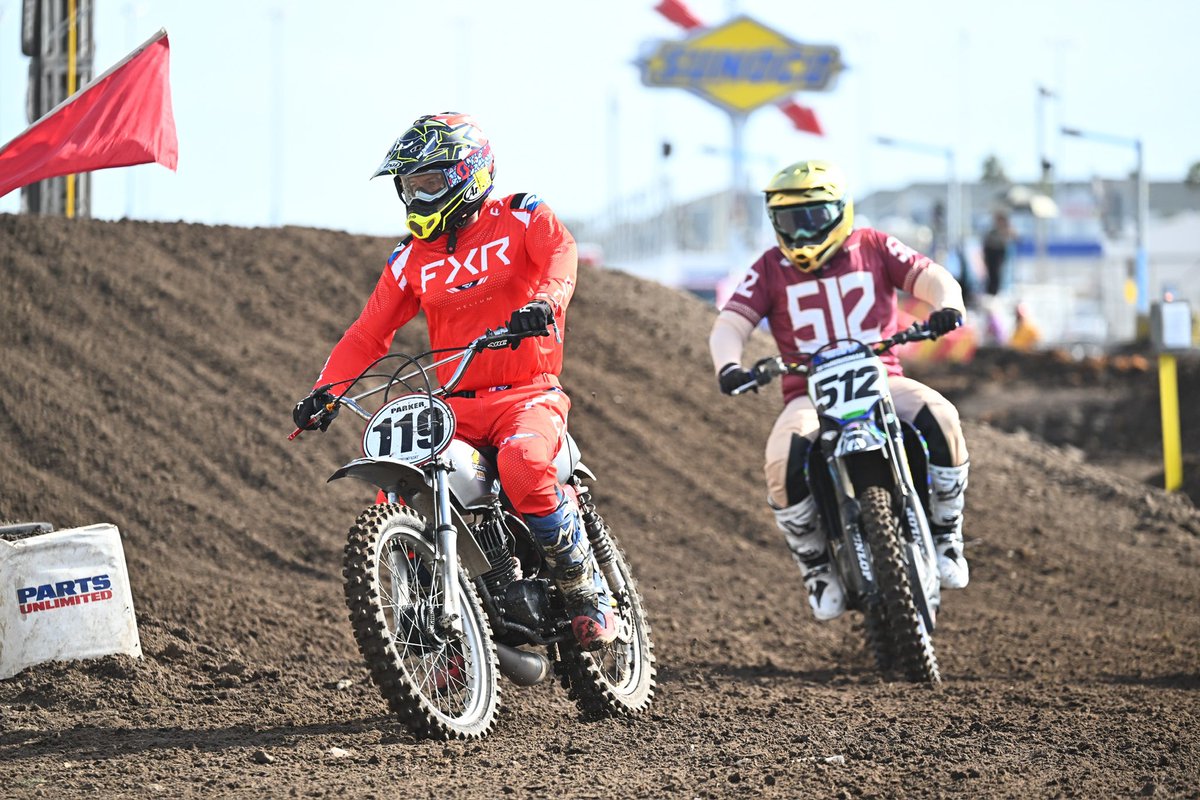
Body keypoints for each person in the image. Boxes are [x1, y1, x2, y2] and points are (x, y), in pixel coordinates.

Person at [292, 112, 616, 650]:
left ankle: (585, 591)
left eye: (431, 183)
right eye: (410, 186)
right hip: (456, 404)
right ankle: (429, 626)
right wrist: (326, 392)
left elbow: (562, 255)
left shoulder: (520, 215)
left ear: (470, 174)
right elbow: (368, 333)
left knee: (521, 465)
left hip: (527, 392)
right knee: (400, 480)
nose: (418, 198)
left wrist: (545, 303)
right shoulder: (408, 258)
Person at [708, 160, 971, 622]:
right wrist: (728, 365)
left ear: (840, 210)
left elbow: (932, 276)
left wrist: (947, 304)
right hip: (809, 392)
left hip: (882, 376)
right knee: (780, 459)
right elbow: (731, 322)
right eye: (791, 220)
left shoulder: (873, 245)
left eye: (813, 215)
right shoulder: (770, 267)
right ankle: (816, 566)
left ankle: (948, 535)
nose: (803, 230)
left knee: (943, 417)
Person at [982, 210, 1014, 296]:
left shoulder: (1005, 229)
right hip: (991, 252)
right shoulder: (992, 231)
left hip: (999, 253)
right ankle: (991, 291)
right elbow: (987, 242)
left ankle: (995, 291)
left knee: (997, 273)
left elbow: (1013, 237)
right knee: (992, 273)